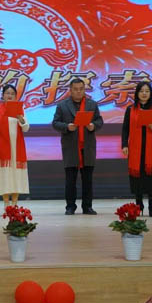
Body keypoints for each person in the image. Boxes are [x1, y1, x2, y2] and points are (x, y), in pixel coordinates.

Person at [52, 78, 103, 215]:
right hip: (71, 147)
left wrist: (93, 126)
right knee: (70, 180)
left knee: (88, 180)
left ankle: (87, 206)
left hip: (87, 147)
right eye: (75, 89)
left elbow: (99, 121)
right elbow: (55, 123)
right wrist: (67, 127)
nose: (78, 92)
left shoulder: (92, 104)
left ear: (84, 89)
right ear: (70, 90)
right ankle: (70, 207)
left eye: (81, 89)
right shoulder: (62, 105)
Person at [121, 82, 152, 217]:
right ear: (137, 93)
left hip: (150, 148)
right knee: (137, 178)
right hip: (135, 148)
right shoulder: (130, 109)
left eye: (147, 91)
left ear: (150, 93)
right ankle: (138, 206)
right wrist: (124, 145)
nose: (144, 93)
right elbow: (125, 129)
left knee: (151, 178)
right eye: (141, 91)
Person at [0, 84, 30, 209]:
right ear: (3, 95)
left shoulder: (20, 109)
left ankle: (15, 204)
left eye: (12, 94)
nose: (10, 95)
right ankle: (6, 204)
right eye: (7, 93)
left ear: (16, 96)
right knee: (5, 175)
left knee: (16, 175)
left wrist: (21, 119)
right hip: (3, 149)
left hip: (17, 148)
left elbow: (26, 128)